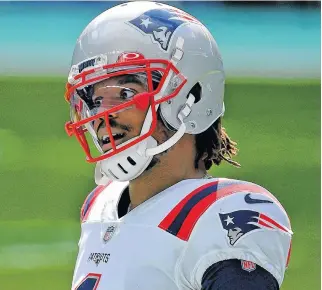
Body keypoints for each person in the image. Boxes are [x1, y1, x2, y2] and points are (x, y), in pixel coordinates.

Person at [65, 2, 292, 289]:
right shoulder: (98, 206)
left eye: (125, 93)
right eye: (95, 100)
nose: (102, 115)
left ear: (190, 96)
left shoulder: (221, 212)